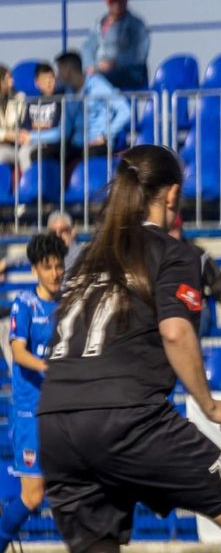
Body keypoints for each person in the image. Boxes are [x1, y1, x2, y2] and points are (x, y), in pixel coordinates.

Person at [37, 145, 221, 552]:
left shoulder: (84, 258)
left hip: (56, 421)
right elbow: (176, 332)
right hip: (126, 416)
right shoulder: (175, 252)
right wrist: (211, 406)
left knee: (98, 544)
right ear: (172, 195)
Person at [0, 233, 66, 550]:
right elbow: (18, 351)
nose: (55, 273)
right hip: (31, 414)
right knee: (33, 495)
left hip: (63, 411)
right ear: (34, 271)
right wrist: (47, 368)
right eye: (47, 267)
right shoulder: (24, 304)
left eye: (58, 266)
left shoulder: (68, 306)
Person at [167, 214, 221, 335]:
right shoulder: (154, 254)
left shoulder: (196, 254)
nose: (172, 235)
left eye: (175, 229)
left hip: (194, 309)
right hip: (166, 309)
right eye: (168, 230)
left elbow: (217, 282)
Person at [55, 51, 131, 160]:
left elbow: (125, 111)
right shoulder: (68, 92)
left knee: (88, 156)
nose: (58, 74)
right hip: (78, 143)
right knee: (50, 154)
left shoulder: (97, 84)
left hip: (99, 142)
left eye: (60, 69)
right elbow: (66, 127)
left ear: (68, 69)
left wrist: (106, 136)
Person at [81, 0, 150, 90]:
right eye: (113, 1)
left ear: (126, 0)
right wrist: (91, 66)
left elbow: (140, 55)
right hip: (100, 71)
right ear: (107, 3)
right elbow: (87, 47)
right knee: (74, 83)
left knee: (101, 81)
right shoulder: (99, 23)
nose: (117, 4)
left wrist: (116, 63)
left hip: (128, 73)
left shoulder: (137, 25)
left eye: (120, 0)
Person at [21, 63, 62, 172]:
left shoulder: (60, 100)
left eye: (51, 78)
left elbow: (56, 125)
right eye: (44, 79)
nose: (49, 83)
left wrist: (36, 126)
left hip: (50, 143)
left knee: (25, 153)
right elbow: (26, 125)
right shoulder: (32, 102)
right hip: (32, 141)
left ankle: (32, 185)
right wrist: (44, 125)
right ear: (37, 82)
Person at [0, 65, 29, 172]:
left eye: (11, 78)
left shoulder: (20, 98)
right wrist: (6, 135)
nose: (12, 82)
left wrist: (12, 136)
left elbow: (22, 126)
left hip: (15, 147)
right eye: (7, 79)